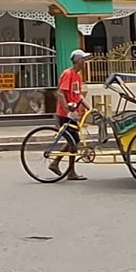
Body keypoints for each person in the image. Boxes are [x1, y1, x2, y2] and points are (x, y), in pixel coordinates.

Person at [49, 49, 90, 180]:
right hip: (65, 114)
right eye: (83, 60)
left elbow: (78, 96)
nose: (85, 62)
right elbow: (61, 93)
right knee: (73, 141)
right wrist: (67, 111)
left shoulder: (78, 76)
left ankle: (59, 164)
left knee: (74, 141)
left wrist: (90, 109)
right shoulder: (68, 74)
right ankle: (62, 167)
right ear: (79, 61)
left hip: (73, 113)